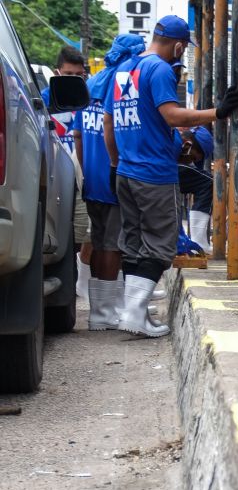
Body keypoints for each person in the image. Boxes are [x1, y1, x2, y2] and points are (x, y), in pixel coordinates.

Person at [103, 15, 238, 337]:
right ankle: (136, 314)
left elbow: (110, 124)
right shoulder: (161, 69)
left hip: (125, 170)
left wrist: (115, 165)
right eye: (183, 48)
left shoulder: (124, 69)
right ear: (179, 45)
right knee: (161, 244)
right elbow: (171, 115)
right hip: (153, 173)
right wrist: (217, 112)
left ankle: (131, 311)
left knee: (134, 243)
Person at [74, 33, 146, 329]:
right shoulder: (123, 84)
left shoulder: (89, 84)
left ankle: (102, 310)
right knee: (112, 246)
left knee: (102, 241)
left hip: (92, 176)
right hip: (115, 174)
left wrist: (88, 167)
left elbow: (78, 134)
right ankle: (103, 314)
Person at [44, 44, 94, 298]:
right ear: (56, 73)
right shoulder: (44, 99)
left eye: (79, 76)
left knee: (87, 232)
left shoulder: (87, 100)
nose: (74, 80)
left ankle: (81, 285)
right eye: (68, 75)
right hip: (52, 175)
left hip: (81, 175)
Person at [177, 125, 214, 249]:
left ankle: (197, 241)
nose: (189, 162)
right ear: (189, 145)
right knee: (208, 182)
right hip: (154, 170)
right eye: (192, 158)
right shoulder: (174, 140)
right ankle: (198, 241)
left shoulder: (181, 148)